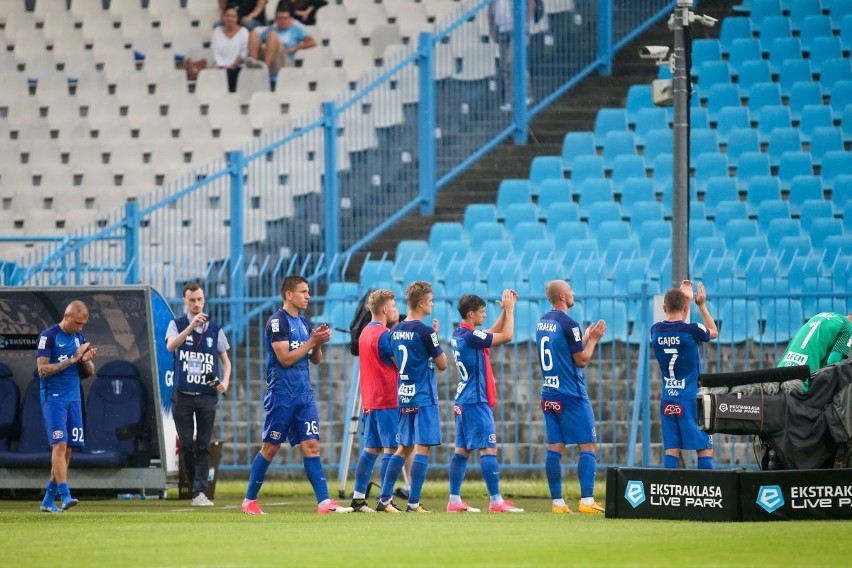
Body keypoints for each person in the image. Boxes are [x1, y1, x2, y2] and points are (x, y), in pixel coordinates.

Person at [242, 275, 352, 515]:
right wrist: (312, 341)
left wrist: (318, 343)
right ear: (289, 295)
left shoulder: (303, 322)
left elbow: (315, 359)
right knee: (270, 448)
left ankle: (324, 503)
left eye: (309, 291)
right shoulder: (276, 322)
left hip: (304, 394)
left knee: (312, 445)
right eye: (303, 291)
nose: (308, 296)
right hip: (281, 395)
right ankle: (250, 500)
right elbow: (285, 359)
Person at [447, 291, 524, 513]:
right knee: (488, 449)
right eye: (481, 312)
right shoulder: (471, 337)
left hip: (463, 399)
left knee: (461, 451)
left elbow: (491, 331)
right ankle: (496, 501)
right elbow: (506, 335)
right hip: (476, 401)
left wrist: (504, 311)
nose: (484, 315)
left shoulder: (460, 334)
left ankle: (454, 500)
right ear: (471, 314)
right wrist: (509, 311)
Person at [375, 281, 447, 513]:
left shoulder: (393, 332)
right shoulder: (426, 332)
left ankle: (384, 499)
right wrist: (434, 339)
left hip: (404, 395)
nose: (432, 304)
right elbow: (443, 364)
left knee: (404, 447)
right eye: (431, 300)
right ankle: (414, 503)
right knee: (422, 448)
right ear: (421, 303)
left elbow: (392, 357)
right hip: (424, 397)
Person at [536, 280, 606, 514]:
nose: (574, 292)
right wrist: (593, 339)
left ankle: (558, 503)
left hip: (549, 392)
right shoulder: (569, 323)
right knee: (588, 444)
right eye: (570, 290)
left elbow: (564, 352)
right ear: (563, 297)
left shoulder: (542, 322)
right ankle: (587, 501)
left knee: (555, 446)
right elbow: (581, 360)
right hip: (571, 394)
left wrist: (583, 338)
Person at [166, 282, 231, 507]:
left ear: (204, 299)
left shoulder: (215, 329)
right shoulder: (176, 324)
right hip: (182, 394)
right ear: (185, 301)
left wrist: (225, 381)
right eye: (192, 300)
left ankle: (199, 491)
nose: (196, 304)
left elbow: (225, 360)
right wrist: (190, 327)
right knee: (186, 444)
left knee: (203, 444)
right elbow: (170, 346)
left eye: (200, 299)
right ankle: (194, 483)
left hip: (206, 394)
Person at [35, 300, 98, 513]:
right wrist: (73, 359)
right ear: (66, 316)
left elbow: (89, 372)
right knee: (59, 446)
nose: (80, 328)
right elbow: (42, 370)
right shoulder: (48, 336)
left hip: (74, 398)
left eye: (83, 324)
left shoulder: (79, 338)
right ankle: (65, 494)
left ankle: (47, 500)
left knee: (68, 449)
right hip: (53, 398)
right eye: (77, 323)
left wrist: (86, 360)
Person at [651, 280, 718, 470]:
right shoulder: (692, 330)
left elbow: (676, 325)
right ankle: (708, 494)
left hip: (668, 399)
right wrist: (701, 305)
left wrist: (684, 299)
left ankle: (669, 496)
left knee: (671, 449)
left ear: (664, 307)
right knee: (704, 448)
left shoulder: (655, 331)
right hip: (690, 398)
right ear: (686, 307)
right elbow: (713, 332)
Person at [349, 289, 400, 513]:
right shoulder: (384, 335)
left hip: (370, 400)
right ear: (385, 309)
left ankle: (359, 499)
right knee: (391, 448)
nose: (397, 310)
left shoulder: (364, 334)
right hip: (387, 399)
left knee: (371, 449)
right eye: (395, 306)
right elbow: (399, 363)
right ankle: (385, 500)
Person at [776, 312, 852, 393]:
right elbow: (833, 363)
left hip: (779, 374)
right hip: (801, 383)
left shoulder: (821, 316)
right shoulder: (848, 327)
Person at [185, 5, 253, 92]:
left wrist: (232, 65)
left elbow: (244, 53)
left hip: (237, 68)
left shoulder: (244, 32)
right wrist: (222, 66)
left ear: (237, 19)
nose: (230, 18)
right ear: (223, 17)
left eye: (233, 16)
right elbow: (215, 51)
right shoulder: (217, 32)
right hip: (220, 67)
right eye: (228, 15)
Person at [488, 0, 535, 111]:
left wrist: (527, 23)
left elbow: (531, 3)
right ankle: (510, 100)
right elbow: (490, 8)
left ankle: (527, 94)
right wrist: (491, 28)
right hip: (502, 28)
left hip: (517, 28)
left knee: (514, 61)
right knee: (505, 67)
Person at [249, 7, 317, 79]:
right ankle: (254, 64)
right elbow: (257, 41)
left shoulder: (296, 29)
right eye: (279, 18)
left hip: (284, 61)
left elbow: (312, 42)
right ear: (276, 19)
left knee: (272, 35)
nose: (282, 21)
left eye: (285, 18)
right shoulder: (272, 28)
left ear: (290, 19)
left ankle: (265, 68)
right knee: (253, 33)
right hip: (268, 58)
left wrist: (294, 48)